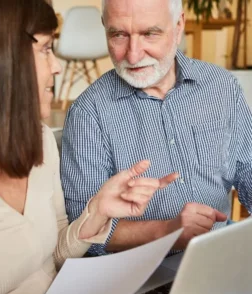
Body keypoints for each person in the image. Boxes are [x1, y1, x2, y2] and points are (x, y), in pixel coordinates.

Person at [0, 0, 178, 294]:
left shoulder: (39, 140)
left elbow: (54, 259)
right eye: (46, 49)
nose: (57, 66)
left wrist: (97, 211)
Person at [61, 0, 252, 257]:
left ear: (178, 25)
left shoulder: (221, 87)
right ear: (105, 27)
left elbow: (248, 169)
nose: (133, 54)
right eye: (118, 35)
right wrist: (167, 231)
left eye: (149, 33)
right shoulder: (88, 114)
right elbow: (83, 233)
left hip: (218, 254)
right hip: (137, 271)